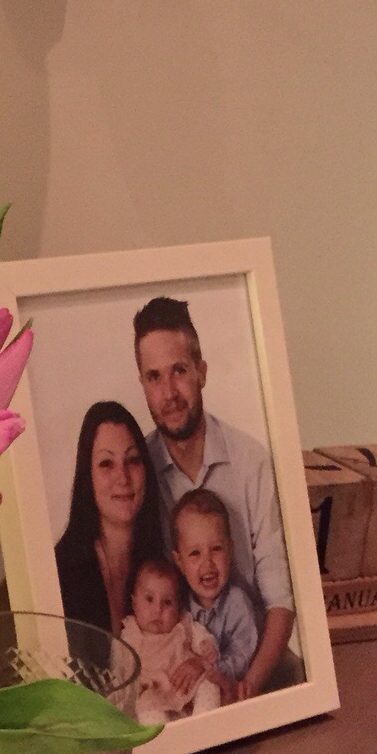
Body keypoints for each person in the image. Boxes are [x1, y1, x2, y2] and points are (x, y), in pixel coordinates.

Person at [133, 294, 295, 698]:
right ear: (143, 385)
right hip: (174, 674)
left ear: (201, 372)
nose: (169, 392)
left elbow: (280, 598)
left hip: (257, 665)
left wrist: (244, 688)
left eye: (179, 371)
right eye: (154, 377)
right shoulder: (138, 472)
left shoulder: (251, 461)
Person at [55, 401, 168, 634]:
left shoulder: (165, 564)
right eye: (106, 463)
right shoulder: (61, 570)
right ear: (88, 476)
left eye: (133, 460)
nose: (123, 478)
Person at [171, 488, 259, 701]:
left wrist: (205, 667)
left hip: (224, 691)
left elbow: (241, 655)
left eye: (217, 549)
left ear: (230, 549)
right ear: (179, 562)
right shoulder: (178, 604)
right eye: (195, 553)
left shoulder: (237, 603)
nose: (207, 562)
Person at [120, 556, 221, 726]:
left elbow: (203, 639)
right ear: (134, 602)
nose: (158, 609)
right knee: (146, 707)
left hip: (186, 683)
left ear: (177, 607)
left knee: (209, 684)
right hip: (153, 691)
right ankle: (164, 737)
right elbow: (120, 666)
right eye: (149, 599)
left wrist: (205, 648)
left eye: (167, 602)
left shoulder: (182, 625)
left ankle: (203, 725)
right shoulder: (131, 633)